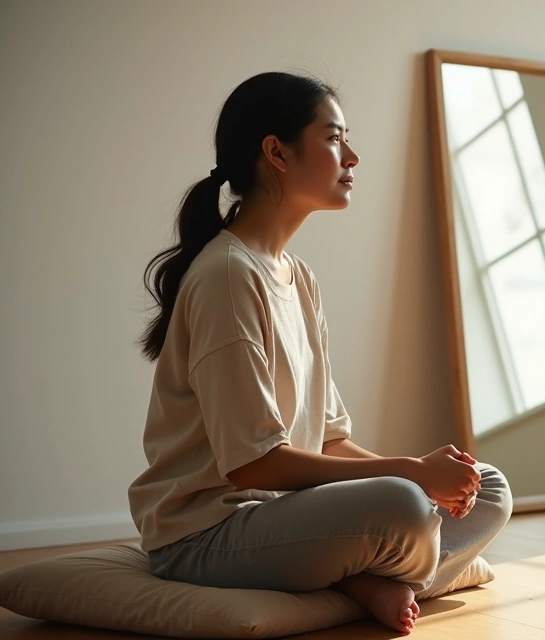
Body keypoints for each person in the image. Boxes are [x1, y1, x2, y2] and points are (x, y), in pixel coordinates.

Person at [127, 71, 511, 636]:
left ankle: (358, 581)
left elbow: (328, 439)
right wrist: (410, 473)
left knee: (488, 489)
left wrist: (432, 476)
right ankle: (362, 582)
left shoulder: (297, 277)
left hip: (282, 518)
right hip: (205, 535)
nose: (352, 156)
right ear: (277, 153)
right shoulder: (228, 275)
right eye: (334, 138)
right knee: (403, 507)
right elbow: (253, 464)